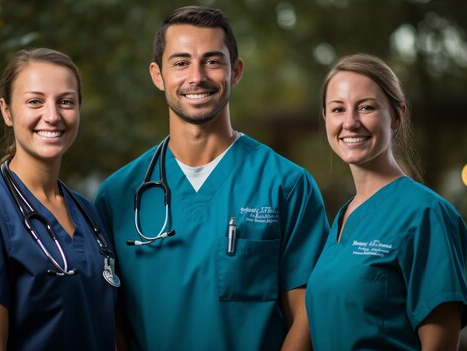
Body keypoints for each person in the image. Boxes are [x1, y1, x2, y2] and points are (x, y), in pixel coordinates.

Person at [95, 6, 330, 351]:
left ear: (235, 71)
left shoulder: (287, 185)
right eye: (180, 63)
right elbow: (111, 320)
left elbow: (307, 314)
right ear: (157, 75)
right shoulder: (117, 196)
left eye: (212, 61)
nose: (197, 77)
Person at [0, 48, 118, 350]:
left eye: (66, 102)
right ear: (7, 111)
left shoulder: (88, 213)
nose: (52, 115)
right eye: (35, 101)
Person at [305, 53, 467, 350]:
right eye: (337, 109)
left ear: (397, 115)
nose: (350, 122)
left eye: (366, 107)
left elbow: (441, 344)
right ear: (325, 118)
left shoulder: (426, 214)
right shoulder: (344, 216)